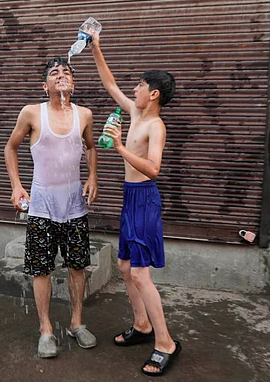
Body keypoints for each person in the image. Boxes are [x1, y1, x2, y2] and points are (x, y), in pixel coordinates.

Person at [90, 32, 181, 376]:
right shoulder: (135, 113)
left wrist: (120, 148)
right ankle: (142, 326)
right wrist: (96, 46)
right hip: (130, 199)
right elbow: (110, 83)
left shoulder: (155, 126)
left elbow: (154, 169)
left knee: (141, 274)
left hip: (144, 200)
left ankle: (165, 344)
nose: (133, 91)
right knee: (126, 268)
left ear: (153, 93)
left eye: (139, 87)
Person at [4, 57, 99, 358]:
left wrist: (93, 175)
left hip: (74, 205)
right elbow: (11, 147)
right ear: (44, 85)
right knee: (41, 269)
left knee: (77, 266)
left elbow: (91, 147)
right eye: (54, 73)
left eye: (66, 72)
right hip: (42, 205)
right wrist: (16, 185)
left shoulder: (84, 114)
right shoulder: (32, 113)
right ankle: (46, 329)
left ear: (74, 83)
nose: (61, 75)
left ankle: (76, 323)